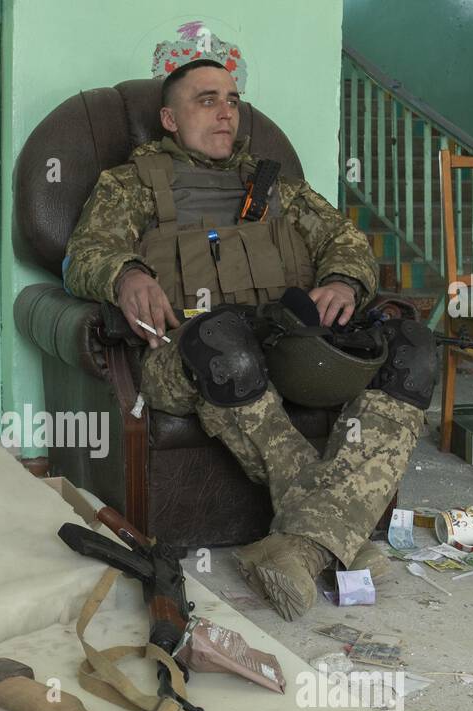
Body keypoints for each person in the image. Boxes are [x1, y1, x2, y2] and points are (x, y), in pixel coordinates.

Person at [62, 58, 431, 622]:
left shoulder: (275, 186)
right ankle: (342, 538)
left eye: (232, 100)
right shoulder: (130, 185)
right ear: (168, 117)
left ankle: (302, 547)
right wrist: (127, 275)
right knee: (223, 340)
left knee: (409, 349)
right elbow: (82, 256)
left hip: (280, 346)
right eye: (206, 100)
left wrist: (341, 280)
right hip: (183, 354)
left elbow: (346, 238)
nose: (225, 112)